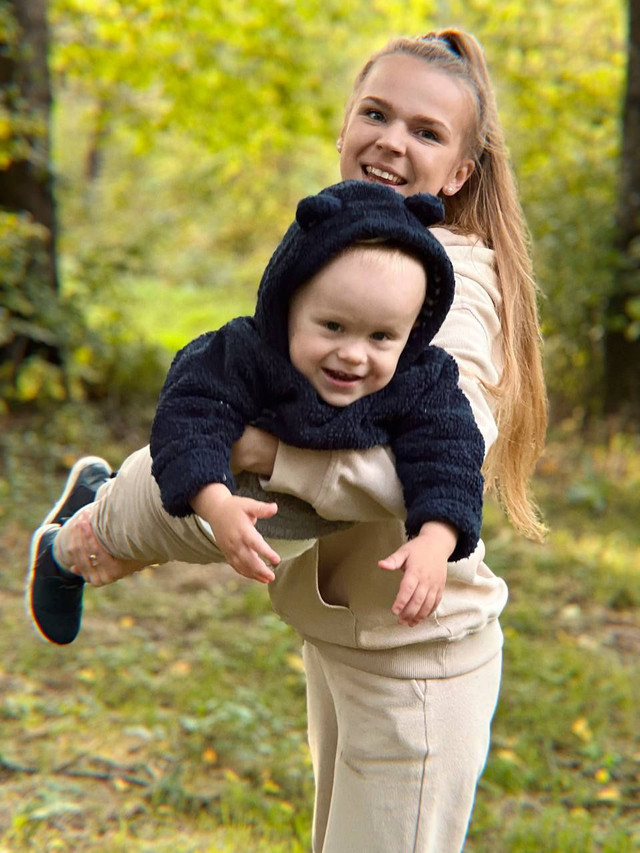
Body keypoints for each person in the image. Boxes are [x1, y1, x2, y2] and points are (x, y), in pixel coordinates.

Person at [29, 28, 548, 853]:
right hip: (344, 623)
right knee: (208, 430)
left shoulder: (459, 291)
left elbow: (449, 459)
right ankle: (88, 531)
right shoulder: (339, 236)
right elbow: (235, 376)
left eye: (426, 131)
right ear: (344, 125)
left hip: (417, 653)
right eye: (375, 113)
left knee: (247, 456)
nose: (390, 139)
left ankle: (87, 533)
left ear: (459, 173)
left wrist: (274, 454)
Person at [28, 179, 485, 646]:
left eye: (381, 337)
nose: (353, 354)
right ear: (288, 307)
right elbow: (190, 414)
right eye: (332, 326)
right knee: (112, 539)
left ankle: (93, 493)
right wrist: (215, 503)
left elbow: (450, 453)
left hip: (263, 527)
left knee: (134, 551)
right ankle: (58, 554)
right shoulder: (246, 353)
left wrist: (437, 537)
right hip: (198, 492)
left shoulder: (420, 382)